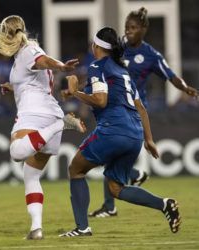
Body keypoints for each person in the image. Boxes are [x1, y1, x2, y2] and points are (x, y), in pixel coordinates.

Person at [59, 27, 181, 237]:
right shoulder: (122, 71)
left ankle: (82, 228)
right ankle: (164, 204)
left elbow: (100, 100)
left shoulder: (97, 65)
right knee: (116, 188)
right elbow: (141, 108)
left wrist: (75, 92)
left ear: (95, 46)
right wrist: (149, 139)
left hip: (113, 130)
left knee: (76, 169)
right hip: (135, 134)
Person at [89, 7, 198, 218]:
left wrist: (185, 88)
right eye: (126, 27)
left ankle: (114, 201)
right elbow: (101, 65)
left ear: (143, 29)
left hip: (134, 111)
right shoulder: (118, 47)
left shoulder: (150, 55)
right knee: (108, 155)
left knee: (107, 152)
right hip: (113, 107)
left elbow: (171, 76)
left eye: (133, 28)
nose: (128, 31)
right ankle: (126, 185)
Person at [0, 15, 85, 240]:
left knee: (16, 152)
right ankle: (36, 229)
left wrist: (61, 65)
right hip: (48, 112)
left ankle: (61, 125)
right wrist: (11, 87)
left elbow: (42, 60)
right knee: (30, 174)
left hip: (36, 114)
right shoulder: (23, 56)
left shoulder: (28, 50)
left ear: (7, 34)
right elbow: (33, 78)